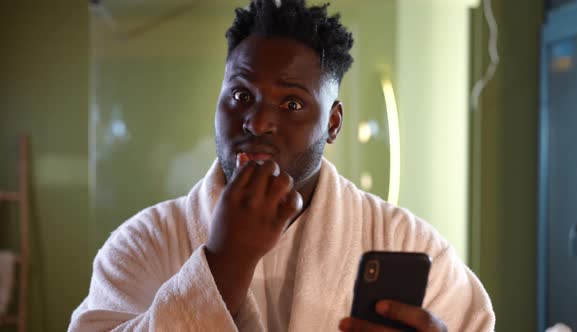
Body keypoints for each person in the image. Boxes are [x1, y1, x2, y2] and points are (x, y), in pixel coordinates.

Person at [69, 0, 495, 331]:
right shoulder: (143, 243)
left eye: (291, 103)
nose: (256, 121)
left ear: (332, 123)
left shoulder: (409, 244)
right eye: (240, 96)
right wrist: (223, 263)